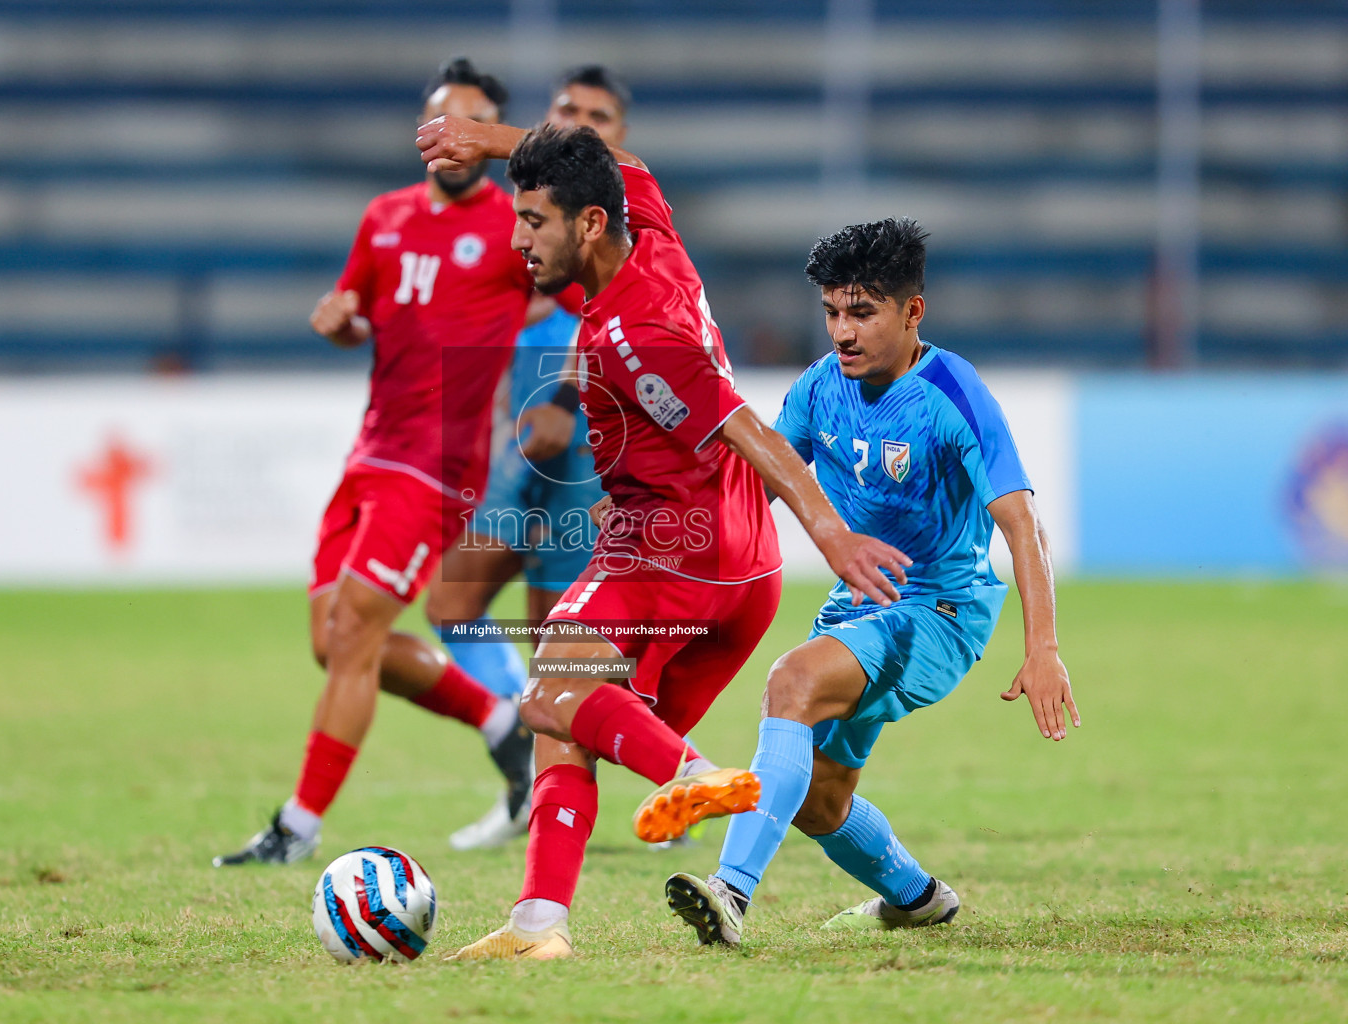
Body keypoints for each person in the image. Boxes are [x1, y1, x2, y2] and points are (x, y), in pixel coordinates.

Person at [414, 117, 910, 960]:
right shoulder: (649, 233)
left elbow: (745, 428)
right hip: (738, 572)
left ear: (590, 225)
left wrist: (834, 536)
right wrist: (487, 138)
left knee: (549, 686)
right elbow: (626, 161)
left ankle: (688, 772)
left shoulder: (635, 335)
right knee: (568, 724)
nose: (518, 238)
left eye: (535, 220)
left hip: (677, 555)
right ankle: (539, 926)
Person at [662, 219, 1080, 946]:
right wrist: (662, 524)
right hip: (860, 604)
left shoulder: (953, 393)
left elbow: (1024, 525)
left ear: (913, 311)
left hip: (940, 612)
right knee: (817, 800)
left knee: (790, 682)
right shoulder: (821, 387)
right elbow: (757, 490)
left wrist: (1042, 647)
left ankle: (729, 894)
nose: (842, 332)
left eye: (862, 312)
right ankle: (918, 899)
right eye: (831, 312)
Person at [213, 58, 545, 867]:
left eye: (472, 124)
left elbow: (590, 277)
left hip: (439, 466)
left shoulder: (515, 227)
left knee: (357, 626)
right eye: (440, 122)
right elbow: (359, 312)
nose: (452, 138)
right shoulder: (385, 218)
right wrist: (340, 323)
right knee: (334, 642)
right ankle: (503, 725)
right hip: (372, 452)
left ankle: (297, 827)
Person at [424, 64, 634, 852]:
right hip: (529, 440)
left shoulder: (620, 225)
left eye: (598, 115)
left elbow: (621, 330)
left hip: (583, 447)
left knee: (564, 644)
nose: (580, 122)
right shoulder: (530, 214)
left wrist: (568, 406)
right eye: (566, 110)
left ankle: (600, 791)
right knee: (453, 603)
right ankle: (522, 752)